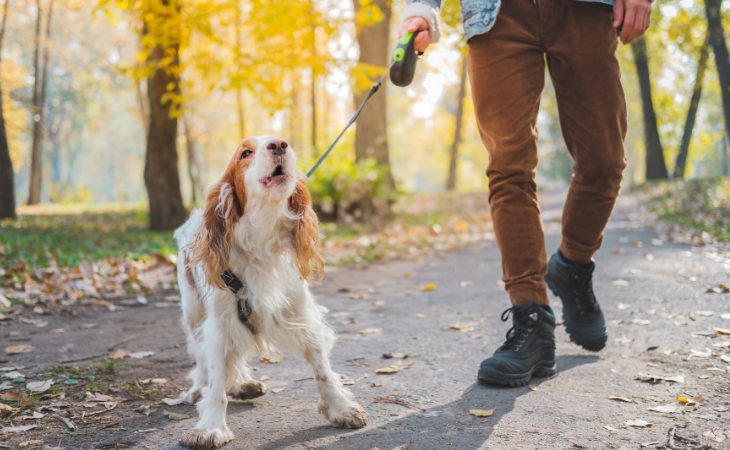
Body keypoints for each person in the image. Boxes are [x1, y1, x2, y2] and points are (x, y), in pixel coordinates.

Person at [397, 0, 651, 386]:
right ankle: (531, 318)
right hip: (496, 15)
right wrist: (422, 7)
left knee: (604, 160)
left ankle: (573, 266)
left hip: (584, 9)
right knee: (508, 166)